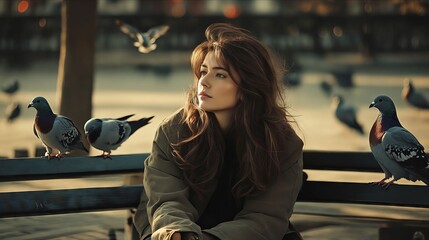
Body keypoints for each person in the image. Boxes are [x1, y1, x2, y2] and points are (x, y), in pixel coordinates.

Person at [133, 23, 304, 240]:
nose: (203, 82)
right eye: (203, 72)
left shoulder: (281, 143)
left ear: (248, 87)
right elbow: (166, 200)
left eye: (220, 75)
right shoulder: (174, 131)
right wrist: (179, 233)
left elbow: (265, 218)